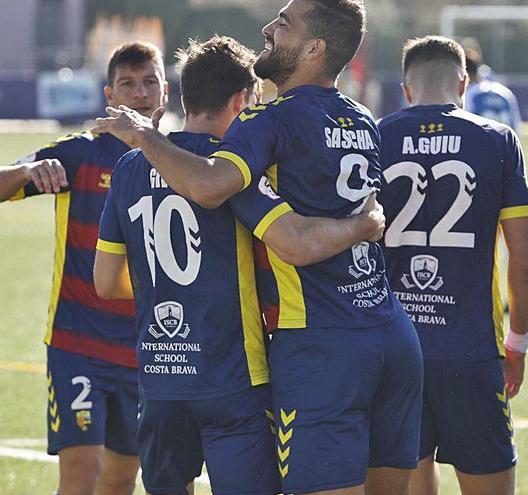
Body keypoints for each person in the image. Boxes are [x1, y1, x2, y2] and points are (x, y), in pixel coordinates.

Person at [92, 2, 423, 494]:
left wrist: (144, 136)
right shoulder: (361, 118)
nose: (268, 27)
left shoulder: (265, 122)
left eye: (284, 23)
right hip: (391, 335)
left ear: (314, 48)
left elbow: (214, 190)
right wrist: (366, 224)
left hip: (318, 344)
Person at [0, 41, 168, 495]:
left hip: (144, 352)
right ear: (109, 96)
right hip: (77, 345)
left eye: (149, 82)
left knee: (120, 482)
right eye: (128, 84)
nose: (140, 93)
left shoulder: (177, 162)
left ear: (165, 92)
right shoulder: (79, 154)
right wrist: (27, 172)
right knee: (80, 477)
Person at [378, 36, 528, 495]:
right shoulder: (497, 140)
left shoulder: (376, 136)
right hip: (471, 347)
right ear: (463, 84)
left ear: (406, 89)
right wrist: (518, 345)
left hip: (394, 350)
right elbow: (524, 264)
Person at [464, 45, 522, 133]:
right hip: (506, 143)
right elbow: (516, 126)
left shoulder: (469, 95)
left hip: (481, 143)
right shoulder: (504, 92)